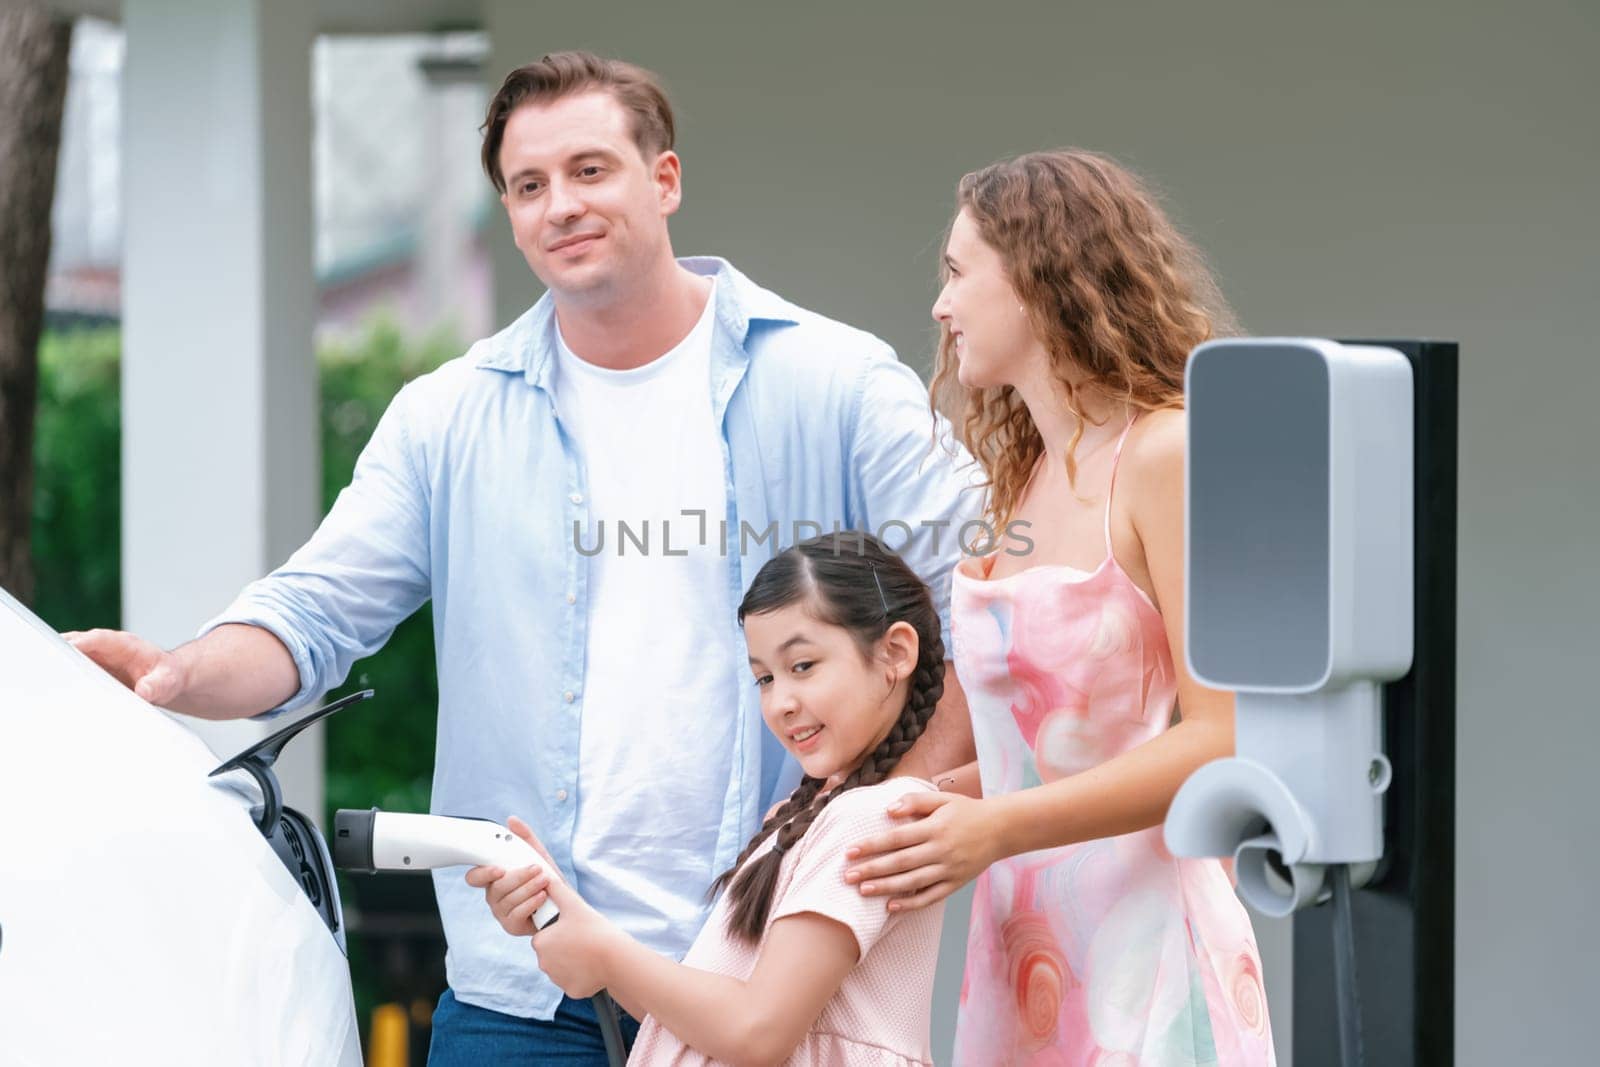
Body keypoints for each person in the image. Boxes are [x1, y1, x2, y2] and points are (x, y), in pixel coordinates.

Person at [64, 52, 977, 1063]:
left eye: (591, 170)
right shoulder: (445, 419)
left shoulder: (837, 383)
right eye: (528, 186)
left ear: (663, 179)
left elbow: (979, 605)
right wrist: (177, 672)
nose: (561, 206)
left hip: (760, 979)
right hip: (521, 990)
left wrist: (882, 819)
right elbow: (314, 611)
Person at [841, 150, 1277, 1064]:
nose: (940, 305)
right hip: (1021, 953)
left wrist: (989, 827)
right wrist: (912, 807)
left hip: (1148, 956)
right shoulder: (1022, 477)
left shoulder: (1168, 453)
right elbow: (1029, 757)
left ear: (1040, 280)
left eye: (958, 273)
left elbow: (1222, 737)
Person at [477, 533, 949, 1065]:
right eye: (764, 678)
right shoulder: (804, 818)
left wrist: (605, 953)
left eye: (803, 666)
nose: (782, 703)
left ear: (896, 652)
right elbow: (704, 1024)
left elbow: (756, 1032)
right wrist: (566, 915)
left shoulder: (871, 819)